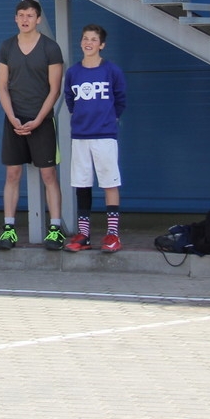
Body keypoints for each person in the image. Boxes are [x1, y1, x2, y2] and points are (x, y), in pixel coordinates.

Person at [0, 0, 66, 250]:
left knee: (48, 174)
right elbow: (2, 86)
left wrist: (38, 119)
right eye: (21, 15)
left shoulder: (50, 48)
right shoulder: (6, 47)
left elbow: (55, 89)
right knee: (12, 174)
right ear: (16, 18)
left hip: (42, 120)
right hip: (13, 120)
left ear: (38, 19)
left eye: (30, 15)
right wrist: (12, 116)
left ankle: (55, 229)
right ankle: (9, 229)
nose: (25, 19)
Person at [63, 24, 128, 253]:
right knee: (82, 183)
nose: (88, 43)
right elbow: (70, 100)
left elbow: (120, 100)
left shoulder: (112, 71)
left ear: (101, 45)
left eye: (93, 39)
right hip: (80, 136)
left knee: (110, 182)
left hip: (105, 135)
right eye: (85, 39)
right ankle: (84, 234)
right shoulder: (73, 72)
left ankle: (112, 235)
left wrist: (108, 119)